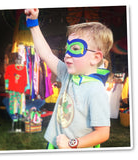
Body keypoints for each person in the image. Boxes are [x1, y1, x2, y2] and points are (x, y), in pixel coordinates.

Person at [24, 8, 113, 149]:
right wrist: (33, 23)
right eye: (67, 48)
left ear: (96, 58)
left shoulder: (96, 91)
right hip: (55, 146)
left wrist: (71, 144)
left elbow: (102, 133)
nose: (67, 55)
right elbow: (46, 54)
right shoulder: (68, 74)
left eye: (76, 49)